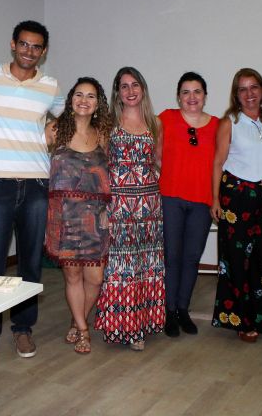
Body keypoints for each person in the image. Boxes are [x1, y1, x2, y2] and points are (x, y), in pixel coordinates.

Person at [0, 21, 64, 364]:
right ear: (13, 44)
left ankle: (23, 328)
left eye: (36, 47)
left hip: (37, 184)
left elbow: (73, 118)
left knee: (29, 263)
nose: (29, 51)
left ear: (43, 51)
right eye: (24, 44)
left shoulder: (50, 86)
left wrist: (54, 136)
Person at [95, 66, 165, 351]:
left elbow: (158, 162)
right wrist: (102, 207)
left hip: (149, 206)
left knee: (146, 266)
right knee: (120, 267)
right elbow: (99, 167)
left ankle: (144, 325)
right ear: (117, 92)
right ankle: (123, 328)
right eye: (124, 86)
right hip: (119, 205)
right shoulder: (108, 124)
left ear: (143, 89)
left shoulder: (155, 123)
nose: (130, 91)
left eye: (135, 85)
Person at [211, 68, 262, 343]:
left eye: (254, 87)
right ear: (236, 94)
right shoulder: (230, 122)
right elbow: (217, 162)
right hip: (236, 196)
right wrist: (214, 199)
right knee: (236, 262)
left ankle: (260, 319)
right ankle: (240, 319)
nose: (249, 93)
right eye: (243, 89)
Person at [44, 77, 112, 355]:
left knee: (95, 278)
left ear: (98, 104)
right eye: (79, 95)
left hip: (96, 218)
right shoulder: (54, 130)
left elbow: (111, 176)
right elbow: (33, 162)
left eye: (91, 96)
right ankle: (83, 329)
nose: (84, 100)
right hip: (64, 218)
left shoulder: (104, 134)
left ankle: (77, 318)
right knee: (72, 277)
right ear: (71, 99)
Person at [159, 72, 218, 337]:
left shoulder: (218, 125)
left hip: (202, 202)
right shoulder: (166, 119)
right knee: (171, 257)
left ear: (205, 95)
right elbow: (154, 154)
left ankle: (183, 309)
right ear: (178, 96)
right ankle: (169, 311)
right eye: (186, 92)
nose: (192, 97)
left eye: (197, 91)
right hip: (170, 197)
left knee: (191, 258)